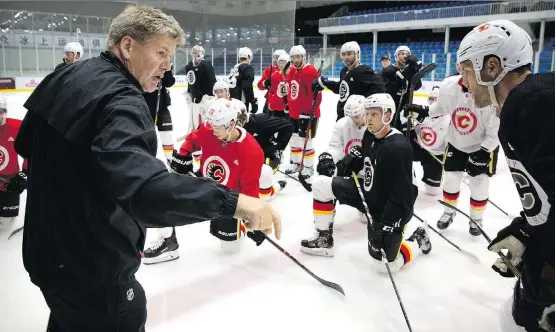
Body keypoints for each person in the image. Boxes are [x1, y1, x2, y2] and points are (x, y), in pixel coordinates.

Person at [14, 5, 281, 331]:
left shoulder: (66, 74)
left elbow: (26, 144)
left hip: (48, 259)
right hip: (96, 274)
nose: (169, 67)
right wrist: (232, 201)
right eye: (161, 52)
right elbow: (145, 191)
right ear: (128, 46)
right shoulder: (121, 99)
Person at [457, 19, 554, 332]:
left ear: (491, 67)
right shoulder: (536, 97)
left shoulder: (527, 106)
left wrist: (548, 272)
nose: (463, 84)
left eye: (466, 72)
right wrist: (527, 229)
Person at [301, 93, 431, 272]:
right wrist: (353, 162)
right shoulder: (370, 135)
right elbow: (369, 160)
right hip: (369, 192)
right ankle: (324, 238)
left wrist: (387, 224)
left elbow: (404, 196)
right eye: (367, 113)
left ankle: (418, 237)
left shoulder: (397, 148)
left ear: (387, 115)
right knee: (321, 184)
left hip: (389, 207)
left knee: (386, 266)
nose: (368, 119)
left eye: (374, 114)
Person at [403, 69, 500, 236]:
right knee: (449, 181)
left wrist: (484, 152)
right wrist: (424, 111)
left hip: (480, 147)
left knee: (479, 185)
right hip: (456, 144)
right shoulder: (450, 85)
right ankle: (449, 212)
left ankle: (476, 218)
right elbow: (441, 107)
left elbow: (495, 130)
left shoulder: (490, 93)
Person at [170, 99, 269, 254]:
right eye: (211, 125)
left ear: (231, 124)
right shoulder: (209, 128)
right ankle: (167, 240)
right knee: (167, 196)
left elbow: (249, 188)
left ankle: (269, 186)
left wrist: (251, 217)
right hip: (205, 183)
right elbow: (193, 139)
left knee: (230, 248)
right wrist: (183, 155)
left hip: (228, 198)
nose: (212, 130)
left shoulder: (251, 151)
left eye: (217, 127)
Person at [300, 94, 368, 256]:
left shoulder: (375, 127)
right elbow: (336, 146)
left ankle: (367, 206)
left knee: (367, 219)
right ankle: (324, 234)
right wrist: (328, 157)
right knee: (323, 179)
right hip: (348, 169)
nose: (354, 120)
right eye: (351, 116)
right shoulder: (343, 124)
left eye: (357, 116)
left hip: (370, 179)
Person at [312, 41, 385, 121]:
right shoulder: (344, 71)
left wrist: (363, 103)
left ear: (357, 54)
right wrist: (326, 83)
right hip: (342, 116)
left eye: (349, 54)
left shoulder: (363, 71)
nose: (346, 57)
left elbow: (380, 89)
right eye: (344, 54)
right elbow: (342, 88)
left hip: (356, 119)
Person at [402, 86, 449, 196]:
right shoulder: (421, 113)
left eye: (436, 99)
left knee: (432, 191)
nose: (433, 102)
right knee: (401, 152)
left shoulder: (449, 118)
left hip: (436, 154)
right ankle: (405, 179)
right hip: (420, 147)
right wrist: (406, 121)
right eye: (431, 99)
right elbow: (403, 116)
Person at [284, 45, 322, 181]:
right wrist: (288, 104)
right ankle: (295, 163)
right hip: (293, 113)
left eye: (298, 56)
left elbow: (317, 95)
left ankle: (308, 167)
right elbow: (291, 90)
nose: (295, 60)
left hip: (307, 113)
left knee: (307, 141)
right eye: (293, 57)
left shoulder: (310, 71)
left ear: (304, 57)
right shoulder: (292, 71)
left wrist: (311, 110)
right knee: (293, 139)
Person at [0, 97, 28, 237]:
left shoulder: (17, 127)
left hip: (9, 185)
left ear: (5, 112)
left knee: (5, 228)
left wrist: (24, 175)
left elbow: (30, 153)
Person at [380, 45, 423, 130]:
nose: (405, 55)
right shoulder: (388, 70)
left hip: (406, 108)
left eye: (407, 54)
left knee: (408, 132)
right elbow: (387, 91)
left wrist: (415, 71)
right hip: (390, 109)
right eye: (402, 53)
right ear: (396, 56)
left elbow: (417, 86)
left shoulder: (410, 70)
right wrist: (402, 76)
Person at [143, 67, 176, 163]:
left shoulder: (163, 64)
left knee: (167, 135)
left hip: (162, 106)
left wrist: (168, 70)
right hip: (145, 105)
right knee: (147, 136)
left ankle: (171, 160)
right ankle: (147, 160)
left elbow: (169, 82)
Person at [184, 45, 217, 131]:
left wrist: (210, 99)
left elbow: (212, 82)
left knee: (206, 124)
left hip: (205, 101)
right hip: (194, 102)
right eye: (194, 53)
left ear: (202, 54)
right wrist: (189, 94)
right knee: (194, 125)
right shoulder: (189, 66)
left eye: (197, 53)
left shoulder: (206, 65)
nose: (195, 56)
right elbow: (190, 83)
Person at [227, 47, 258, 114]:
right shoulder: (247, 67)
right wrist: (253, 100)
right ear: (249, 57)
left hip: (231, 100)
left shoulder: (235, 68)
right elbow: (247, 86)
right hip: (241, 102)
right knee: (242, 122)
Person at [257, 49, 287, 114]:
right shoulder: (269, 69)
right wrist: (265, 83)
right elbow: (260, 85)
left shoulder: (290, 70)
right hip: (271, 100)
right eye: (274, 57)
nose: (274, 60)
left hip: (285, 102)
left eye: (277, 57)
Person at [267, 53, 290, 119]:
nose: (281, 64)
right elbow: (272, 91)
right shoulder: (275, 75)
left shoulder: (293, 75)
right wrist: (270, 103)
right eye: (279, 62)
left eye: (283, 62)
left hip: (288, 108)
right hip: (276, 107)